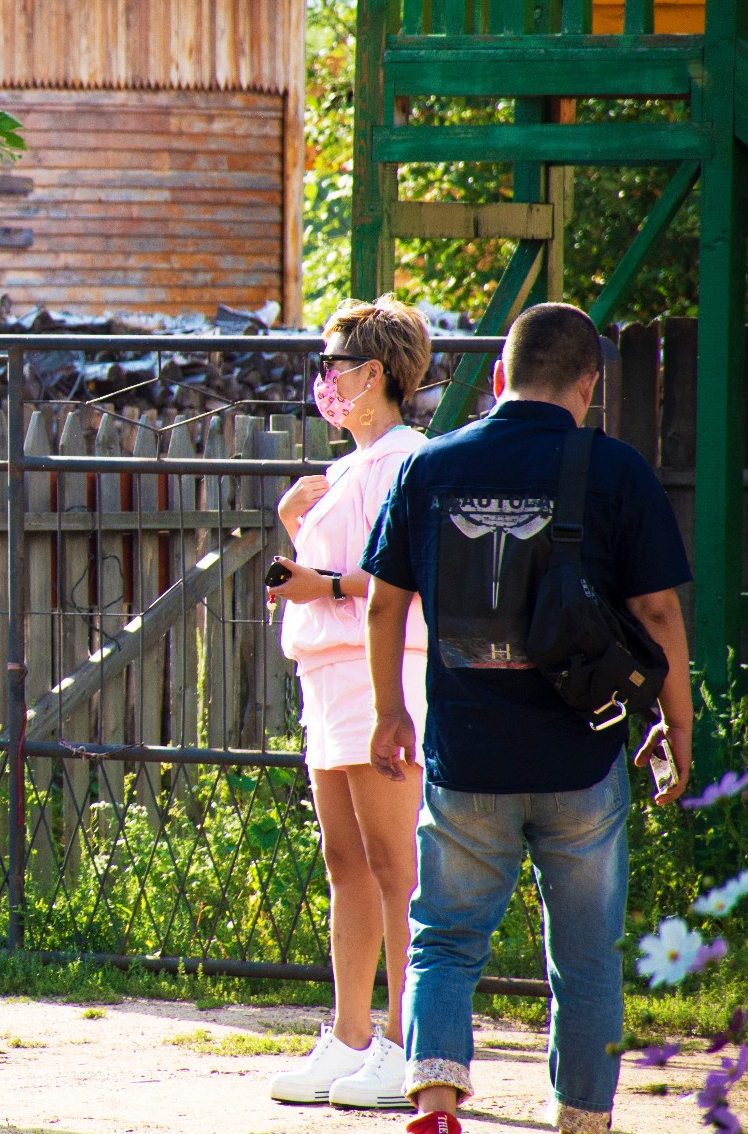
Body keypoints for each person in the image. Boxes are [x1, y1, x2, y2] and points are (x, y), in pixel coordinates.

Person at [362, 302, 694, 1134]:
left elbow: (381, 605)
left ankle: (436, 1104)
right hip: (581, 758)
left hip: (466, 755)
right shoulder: (617, 472)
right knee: (584, 959)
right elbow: (656, 611)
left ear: (502, 375)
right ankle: (582, 1116)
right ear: (591, 383)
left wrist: (389, 711)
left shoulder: (430, 467)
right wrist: (677, 729)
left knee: (443, 938)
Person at [265, 296, 433, 1110]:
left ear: (374, 373)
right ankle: (351, 1032)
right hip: (328, 679)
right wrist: (297, 527)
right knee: (345, 863)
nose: (322, 380)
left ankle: (408, 1040)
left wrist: (319, 582)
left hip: (383, 676)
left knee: (395, 864)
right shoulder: (343, 470)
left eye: (334, 365)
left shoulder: (406, 461)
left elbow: (401, 577)